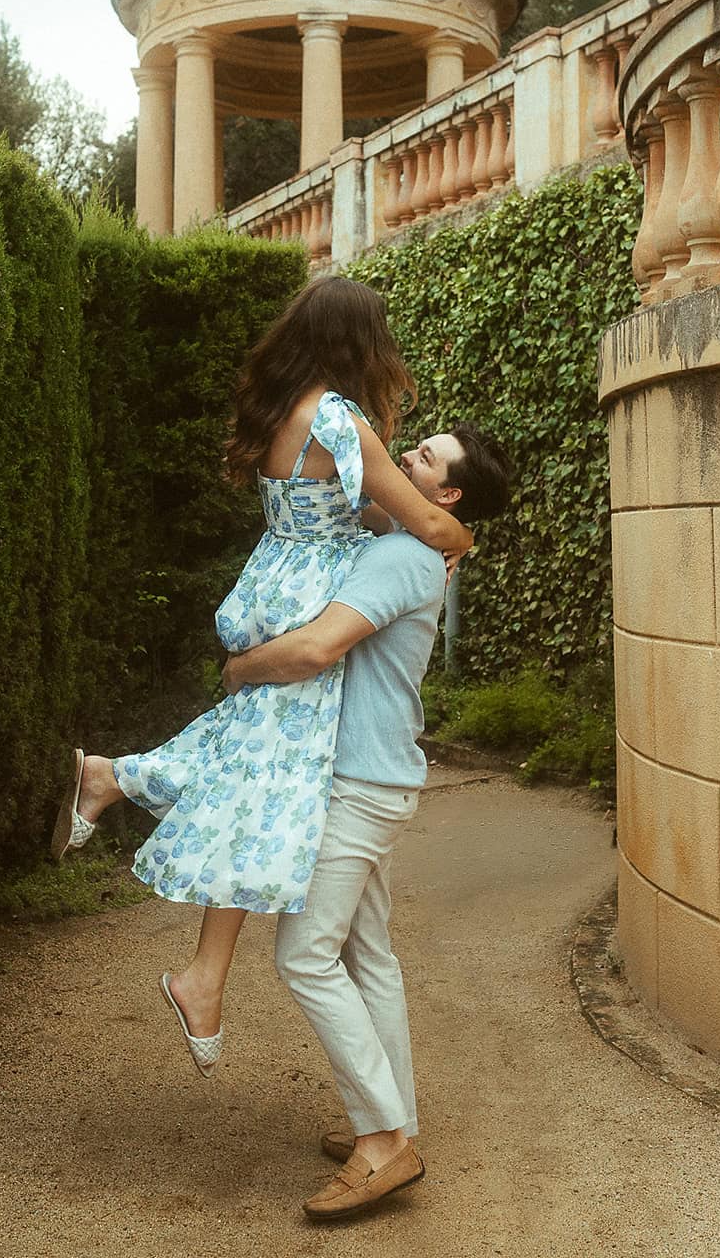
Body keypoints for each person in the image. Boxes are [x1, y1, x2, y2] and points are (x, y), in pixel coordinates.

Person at [50, 276, 473, 1077]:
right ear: (358, 343)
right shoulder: (340, 419)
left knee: (250, 767)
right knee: (264, 788)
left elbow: (361, 510)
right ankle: (186, 942)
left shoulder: (289, 409)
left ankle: (115, 787)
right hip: (309, 603)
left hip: (273, 581)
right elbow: (419, 519)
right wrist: (463, 540)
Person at [220, 421, 510, 1220]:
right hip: (375, 775)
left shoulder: (396, 559)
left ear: (446, 493)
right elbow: (369, 507)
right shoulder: (411, 544)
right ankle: (393, 1120)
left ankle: (384, 1142)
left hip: (354, 783)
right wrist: (461, 535)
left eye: (425, 458)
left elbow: (316, 649)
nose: (405, 454)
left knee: (305, 955)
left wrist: (239, 668)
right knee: (365, 953)